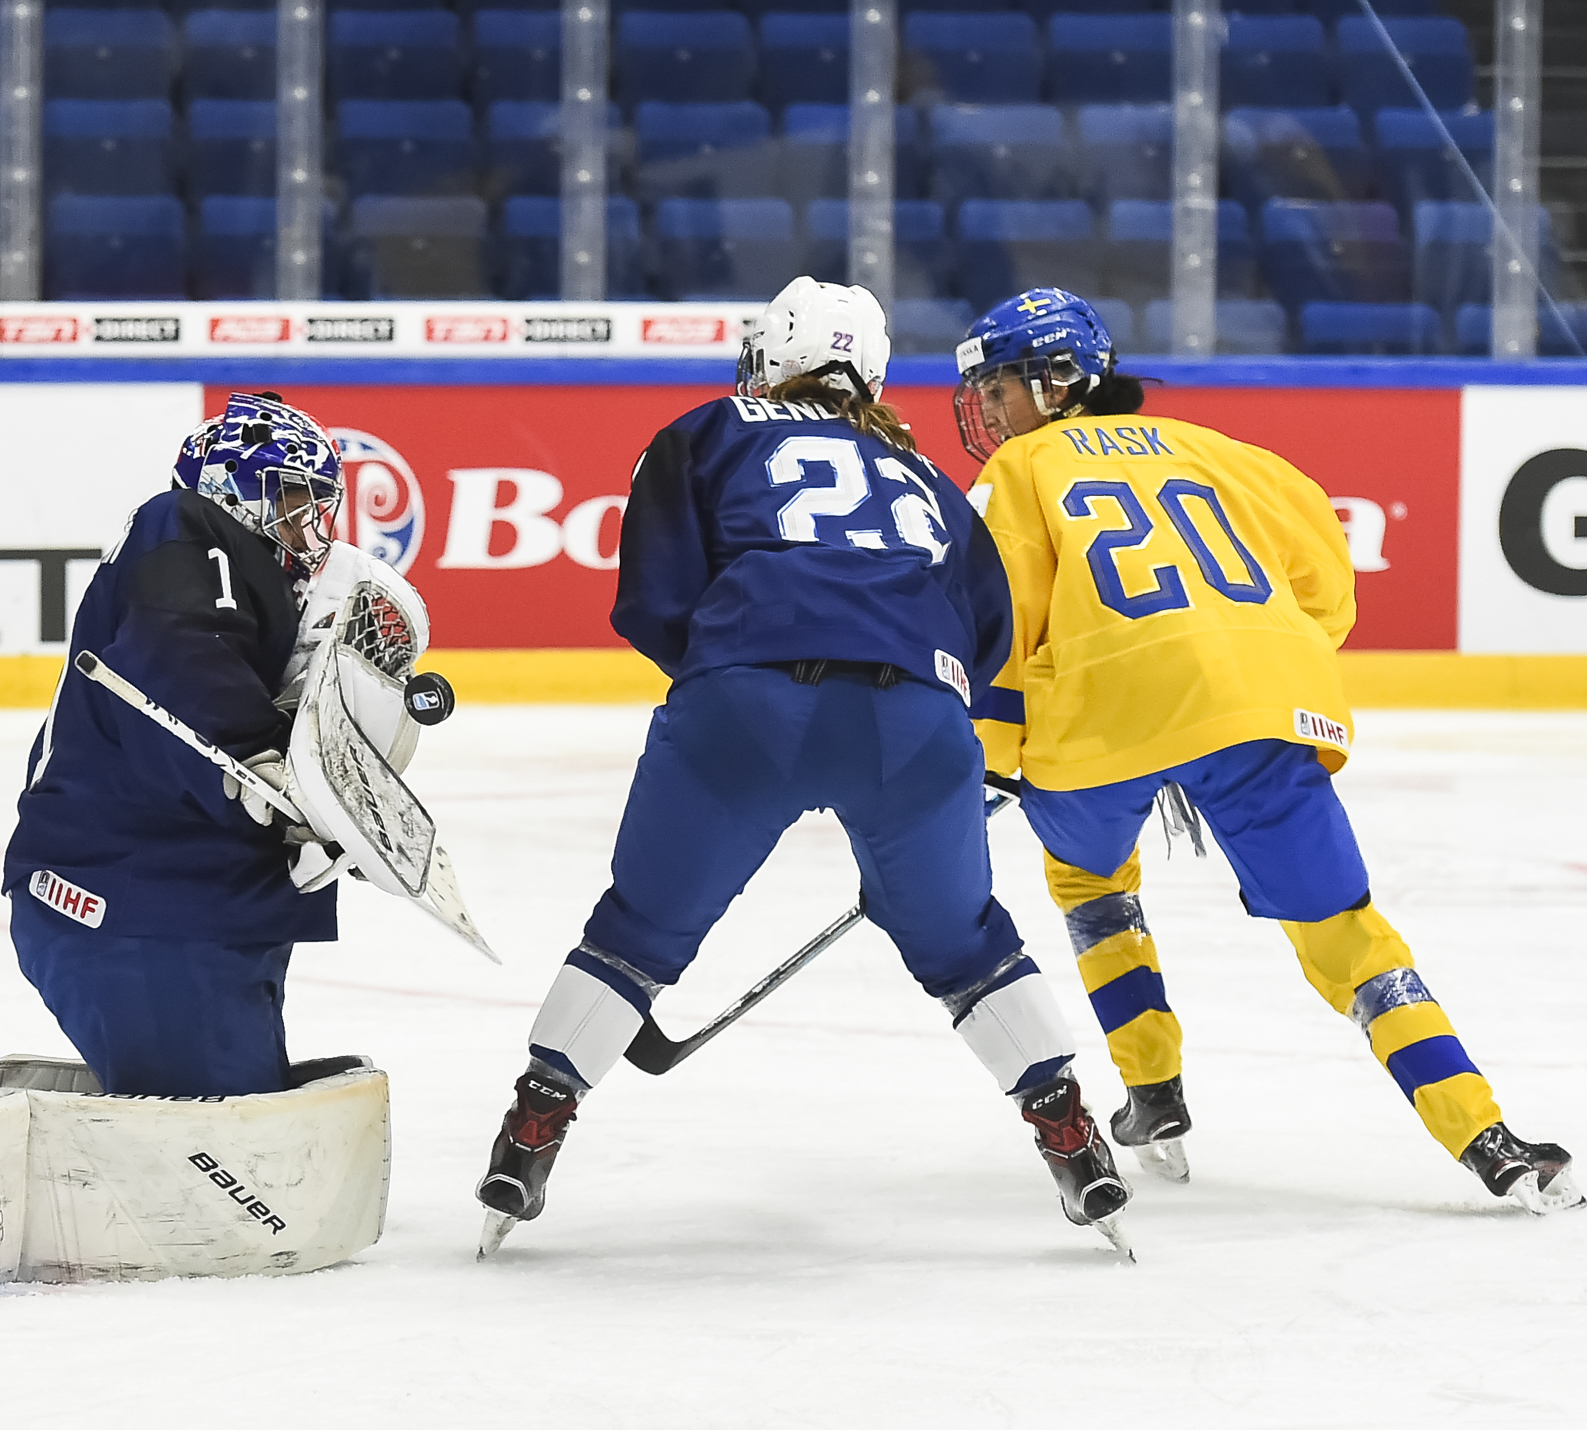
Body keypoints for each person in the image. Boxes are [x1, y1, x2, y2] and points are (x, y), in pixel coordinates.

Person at [473, 277, 1132, 1259]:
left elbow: (653, 597)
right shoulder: (924, 474)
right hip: (916, 719)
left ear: (771, 357)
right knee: (964, 943)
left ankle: (536, 1119)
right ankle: (1066, 1125)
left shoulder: (706, 429)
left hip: (744, 699)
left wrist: (734, 681)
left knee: (639, 930)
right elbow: (982, 633)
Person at [953, 287, 1581, 1213]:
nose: (988, 409)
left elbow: (998, 626)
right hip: (1259, 710)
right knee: (1347, 934)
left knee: (1092, 886)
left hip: (1099, 722)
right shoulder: (1222, 452)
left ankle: (1155, 1096)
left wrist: (991, 756)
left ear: (1053, 382)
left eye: (998, 386)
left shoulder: (1018, 474)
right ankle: (1487, 1138)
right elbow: (1326, 587)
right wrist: (1239, 671)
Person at [1, 390, 350, 1098]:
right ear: (231, 488)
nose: (306, 525)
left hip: (191, 905)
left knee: (239, 1127)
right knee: (220, 1150)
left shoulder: (248, 582)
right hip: (130, 907)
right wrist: (255, 758)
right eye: (289, 499)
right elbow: (180, 648)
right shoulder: (184, 527)